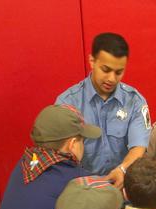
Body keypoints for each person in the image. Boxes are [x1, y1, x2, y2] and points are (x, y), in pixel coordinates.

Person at [56, 32, 150, 188]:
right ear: (92, 61)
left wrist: (122, 169)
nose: (112, 79)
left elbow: (138, 146)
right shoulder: (67, 103)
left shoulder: (135, 101)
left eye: (119, 72)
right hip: (84, 190)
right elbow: (63, 157)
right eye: (106, 69)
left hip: (124, 185)